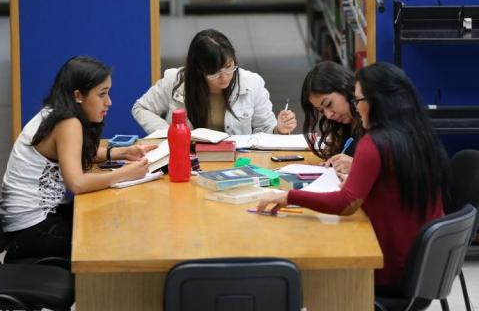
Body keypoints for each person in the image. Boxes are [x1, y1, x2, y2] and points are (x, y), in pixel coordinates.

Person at [257, 62, 449, 291]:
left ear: (377, 101)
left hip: (390, 273)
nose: (356, 108)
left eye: (358, 100)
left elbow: (345, 203)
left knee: (301, 281)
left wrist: (288, 196)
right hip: (427, 269)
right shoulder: (416, 132)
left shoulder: (374, 143)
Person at [0, 56, 154, 260]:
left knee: (106, 215)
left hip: (29, 223)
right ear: (78, 95)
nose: (109, 102)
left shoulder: (56, 112)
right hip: (31, 230)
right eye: (102, 94)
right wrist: (125, 173)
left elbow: (73, 155)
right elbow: (78, 184)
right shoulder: (67, 122)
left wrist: (122, 153)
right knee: (112, 239)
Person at [132, 29, 297, 135]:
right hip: (190, 160)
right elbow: (141, 108)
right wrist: (171, 134)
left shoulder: (252, 83)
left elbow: (265, 130)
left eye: (229, 67)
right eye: (214, 73)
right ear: (199, 70)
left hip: (238, 162)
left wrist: (279, 130)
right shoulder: (175, 81)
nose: (224, 77)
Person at [301, 61, 363, 174]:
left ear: (344, 87)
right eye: (321, 111)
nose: (328, 115)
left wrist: (357, 166)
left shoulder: (373, 121)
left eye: (328, 104)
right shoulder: (342, 127)